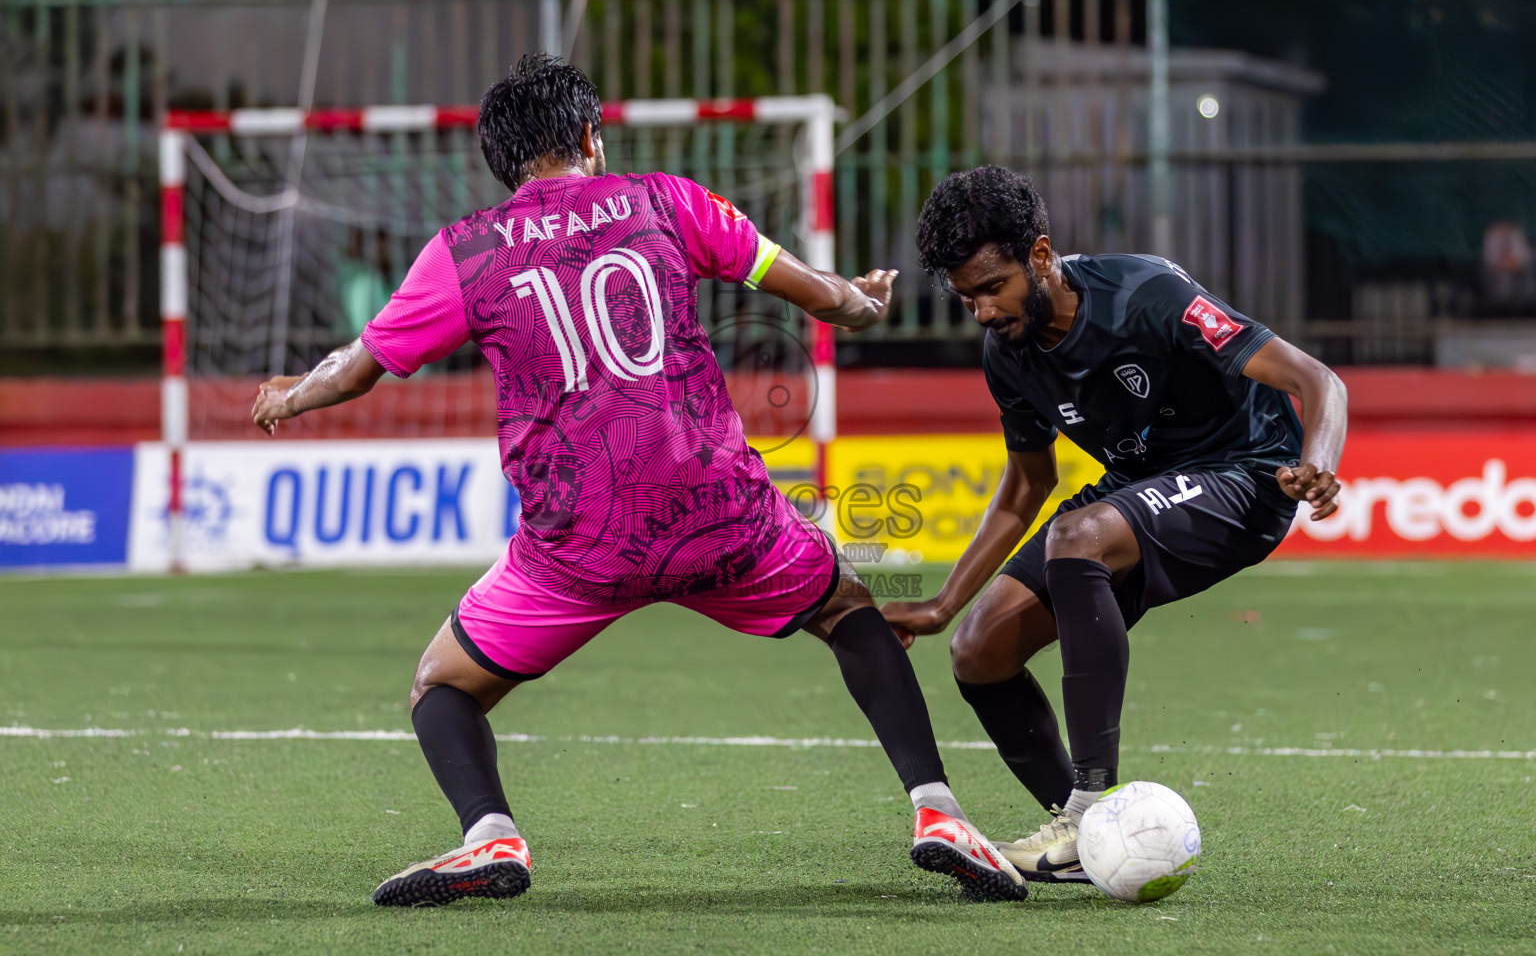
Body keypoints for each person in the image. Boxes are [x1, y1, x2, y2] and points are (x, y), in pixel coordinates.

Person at [250, 55, 1027, 906]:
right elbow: (821, 298)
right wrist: (865, 299)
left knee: (440, 686)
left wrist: (293, 395)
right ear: (588, 135)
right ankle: (939, 812)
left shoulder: (461, 252)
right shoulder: (669, 199)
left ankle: (490, 836)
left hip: (578, 541)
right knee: (850, 611)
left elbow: (359, 369)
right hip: (717, 511)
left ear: (503, 162)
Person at [883, 165, 1347, 881]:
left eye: (991, 287)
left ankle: (1085, 801)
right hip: (1138, 487)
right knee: (979, 653)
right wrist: (945, 605)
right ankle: (1093, 842)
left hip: (1247, 472)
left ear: (1040, 256)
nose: (980, 310)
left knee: (1080, 537)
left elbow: (1318, 380)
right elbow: (1026, 486)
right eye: (964, 296)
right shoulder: (1006, 354)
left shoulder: (1146, 293)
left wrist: (1316, 462)